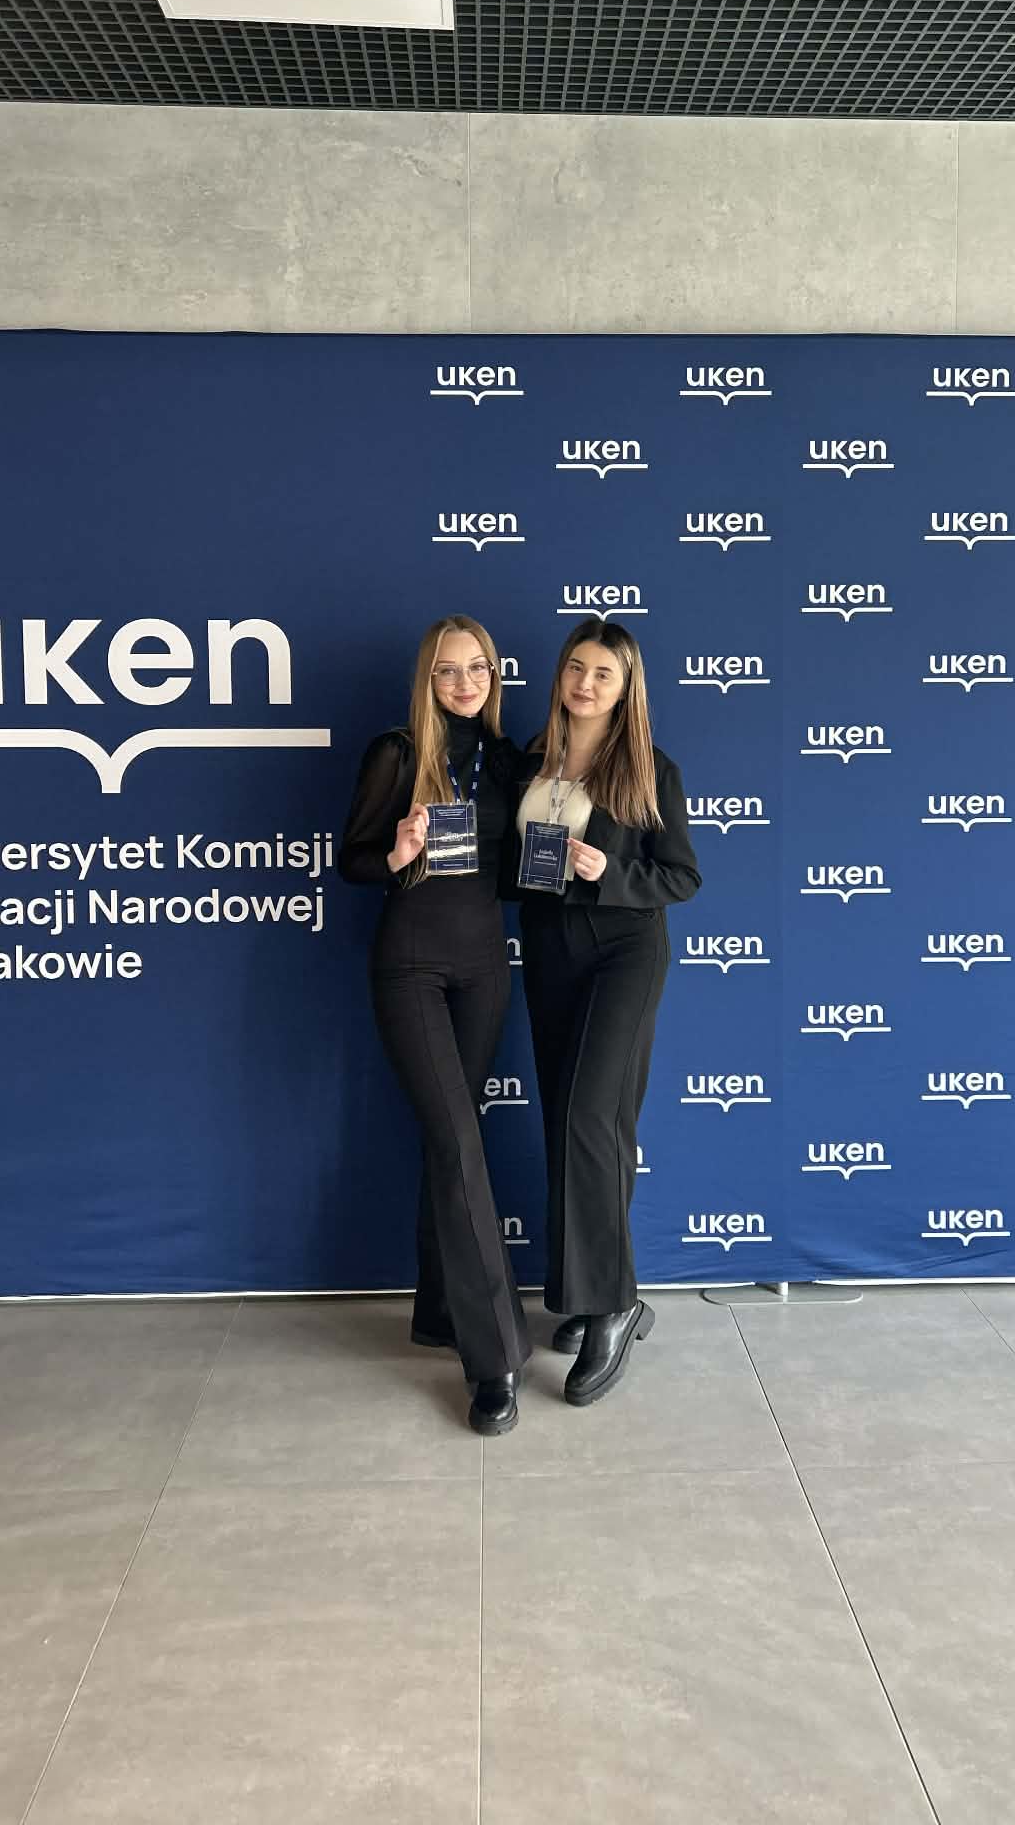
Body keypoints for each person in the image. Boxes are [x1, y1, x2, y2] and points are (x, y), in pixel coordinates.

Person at [339, 615, 529, 1435]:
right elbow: (350, 859)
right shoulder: (395, 752)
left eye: (477, 667)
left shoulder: (511, 761)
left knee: (453, 1140)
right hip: (410, 965)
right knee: (457, 1144)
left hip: (485, 969)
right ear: (427, 678)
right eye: (448, 670)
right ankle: (495, 1358)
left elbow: (520, 867)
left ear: (494, 674)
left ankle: (438, 1311)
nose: (464, 683)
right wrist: (397, 851)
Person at [511, 619, 701, 1406]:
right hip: (549, 952)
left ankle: (615, 1304)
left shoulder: (650, 767)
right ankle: (591, 1294)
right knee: (573, 1124)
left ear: (626, 691)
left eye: (603, 675)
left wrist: (608, 869)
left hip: (624, 951)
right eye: (575, 668)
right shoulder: (531, 760)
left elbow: (681, 877)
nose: (585, 684)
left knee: (591, 1116)